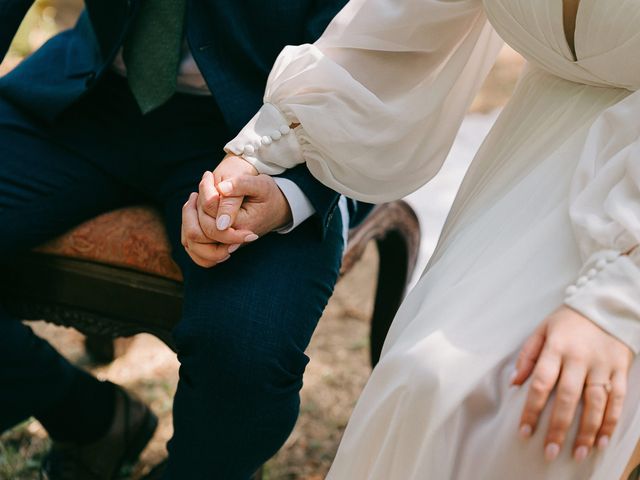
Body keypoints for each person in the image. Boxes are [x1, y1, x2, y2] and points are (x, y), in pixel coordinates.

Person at [217, 0, 640, 478]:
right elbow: (399, 24)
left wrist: (616, 303)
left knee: (534, 416)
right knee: (423, 377)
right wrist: (262, 152)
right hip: (536, 155)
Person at [0, 1, 372, 479]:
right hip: (87, 96)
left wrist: (291, 191)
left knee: (244, 353)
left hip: (273, 132)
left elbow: (368, 62)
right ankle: (90, 417)